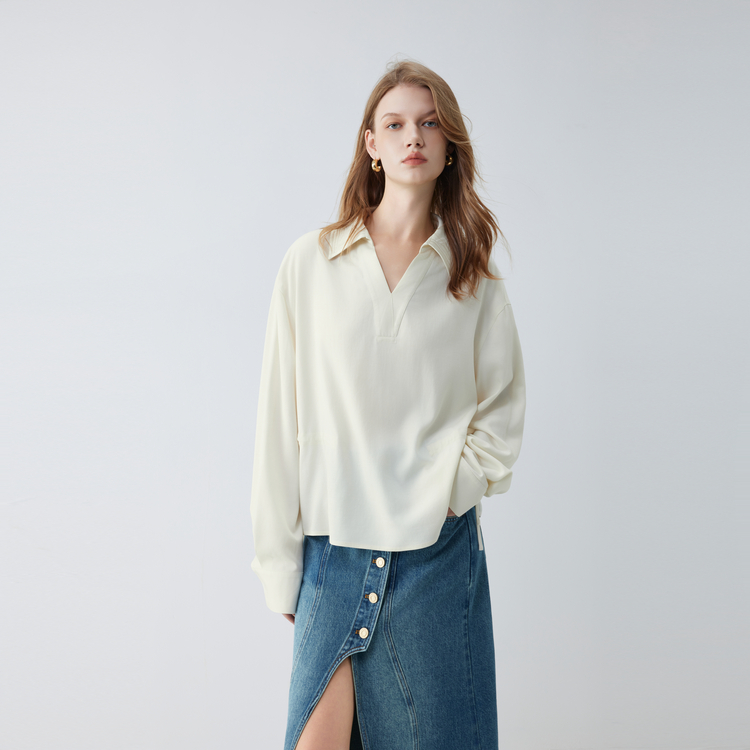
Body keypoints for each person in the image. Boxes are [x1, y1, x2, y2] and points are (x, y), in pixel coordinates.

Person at [250, 59, 527, 750]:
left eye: (429, 123)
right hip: (334, 552)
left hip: (435, 558)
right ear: (371, 144)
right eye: (396, 124)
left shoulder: (472, 276)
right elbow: (278, 420)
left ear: (449, 144)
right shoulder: (311, 263)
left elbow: (501, 412)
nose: (414, 137)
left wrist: (451, 495)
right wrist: (280, 565)